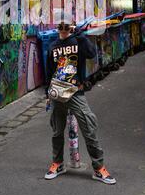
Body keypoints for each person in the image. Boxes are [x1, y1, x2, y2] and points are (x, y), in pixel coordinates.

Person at [44, 16, 116, 185]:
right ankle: (58, 163)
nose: (63, 28)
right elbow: (49, 72)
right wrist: (48, 95)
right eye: (60, 25)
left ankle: (99, 168)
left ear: (71, 26)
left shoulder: (78, 42)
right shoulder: (52, 46)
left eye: (66, 25)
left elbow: (92, 54)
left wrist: (80, 34)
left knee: (89, 128)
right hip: (57, 94)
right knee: (57, 131)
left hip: (76, 93)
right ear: (57, 27)